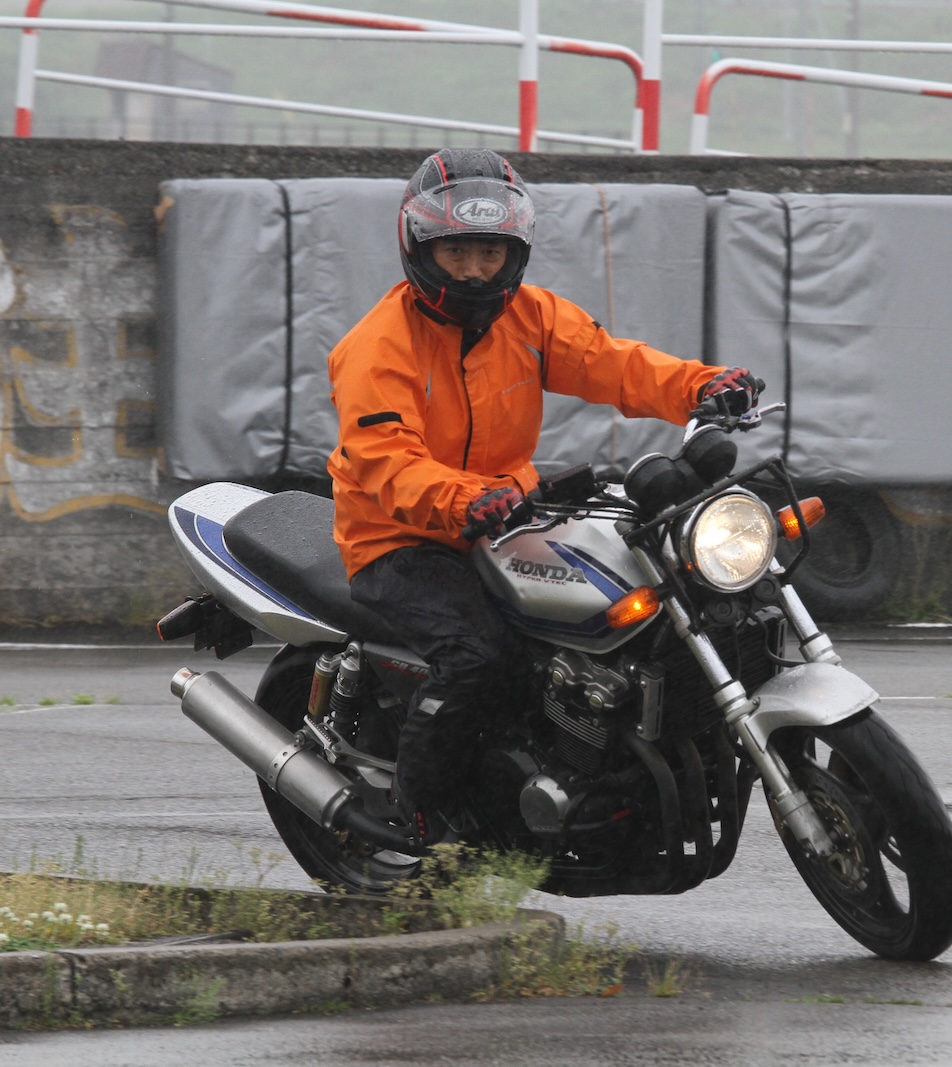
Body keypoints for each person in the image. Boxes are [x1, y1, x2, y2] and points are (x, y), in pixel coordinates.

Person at [326, 148, 761, 848]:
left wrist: (702, 386)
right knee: (478, 656)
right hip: (399, 537)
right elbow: (385, 460)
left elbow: (614, 364)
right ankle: (416, 814)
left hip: (507, 516)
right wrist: (465, 500)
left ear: (515, 252)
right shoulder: (377, 346)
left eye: (490, 252)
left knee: (639, 604)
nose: (474, 270)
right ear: (420, 248)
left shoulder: (532, 317)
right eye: (457, 252)